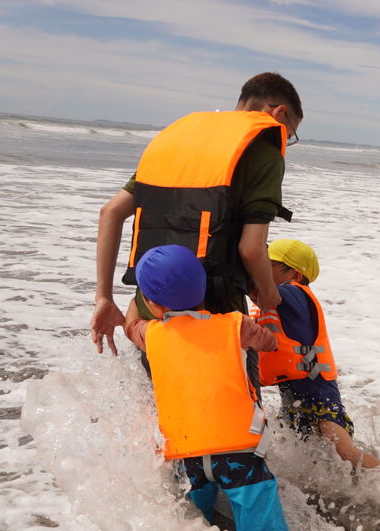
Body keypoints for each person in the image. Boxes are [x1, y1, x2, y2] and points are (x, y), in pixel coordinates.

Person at [90, 72, 304, 356]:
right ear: (279, 112)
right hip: (213, 307)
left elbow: (111, 212)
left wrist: (103, 297)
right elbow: (251, 249)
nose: (285, 141)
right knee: (229, 384)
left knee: (158, 381)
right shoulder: (264, 154)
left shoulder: (175, 142)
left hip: (151, 302)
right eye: (289, 134)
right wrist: (268, 293)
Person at [124, 245, 290, 531]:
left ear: (151, 303)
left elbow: (129, 326)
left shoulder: (151, 334)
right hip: (241, 454)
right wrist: (266, 320)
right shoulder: (237, 325)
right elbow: (269, 343)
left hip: (185, 458)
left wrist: (135, 300)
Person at [253, 239, 380, 473]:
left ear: (295, 274)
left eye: (269, 265)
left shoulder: (295, 293)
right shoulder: (284, 298)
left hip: (319, 395)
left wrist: (246, 262)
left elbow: (258, 290)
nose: (264, 269)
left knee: (344, 452)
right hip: (294, 396)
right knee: (313, 459)